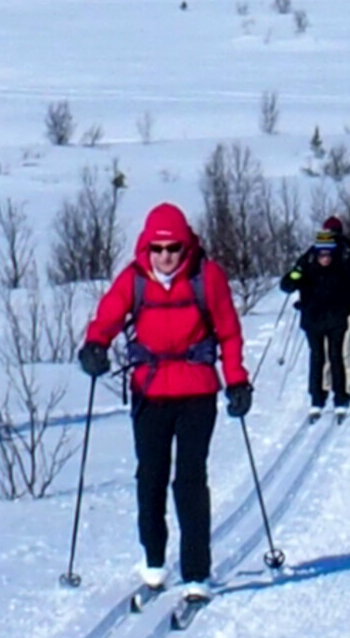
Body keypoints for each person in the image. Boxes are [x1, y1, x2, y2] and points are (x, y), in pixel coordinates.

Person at [79, 203, 250, 604]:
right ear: (146, 248)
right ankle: (153, 561)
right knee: (150, 477)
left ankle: (196, 572)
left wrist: (237, 380)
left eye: (173, 247)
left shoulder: (207, 278)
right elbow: (106, 316)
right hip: (150, 393)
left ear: (185, 244)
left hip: (197, 392)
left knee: (190, 480)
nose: (165, 256)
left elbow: (229, 332)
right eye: (157, 249)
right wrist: (94, 346)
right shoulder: (134, 279)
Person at [281, 221, 350, 421]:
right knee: (317, 358)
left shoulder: (346, 256)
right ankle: (317, 397)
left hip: (338, 316)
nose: (325, 258)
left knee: (338, 356)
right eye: (321, 254)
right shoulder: (308, 260)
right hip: (313, 317)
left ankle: (341, 398)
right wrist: (293, 277)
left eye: (327, 254)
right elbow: (288, 283)